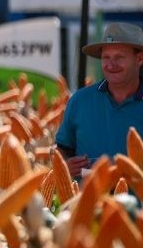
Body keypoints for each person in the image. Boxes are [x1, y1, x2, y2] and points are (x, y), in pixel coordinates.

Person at [56, 22, 143, 178]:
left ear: (139, 59)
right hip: (88, 200)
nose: (111, 64)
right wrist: (64, 165)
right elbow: (62, 148)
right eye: (106, 57)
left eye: (119, 57)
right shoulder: (79, 101)